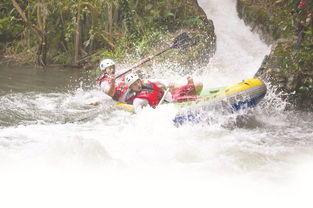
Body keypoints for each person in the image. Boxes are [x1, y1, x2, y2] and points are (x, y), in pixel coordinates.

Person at [124, 73, 203, 113]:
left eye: (138, 82)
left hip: (172, 95)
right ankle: (192, 94)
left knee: (199, 84)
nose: (138, 85)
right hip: (170, 104)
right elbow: (139, 115)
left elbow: (159, 81)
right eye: (134, 84)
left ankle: (191, 90)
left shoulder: (146, 82)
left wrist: (167, 85)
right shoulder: (138, 100)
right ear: (131, 88)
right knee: (197, 98)